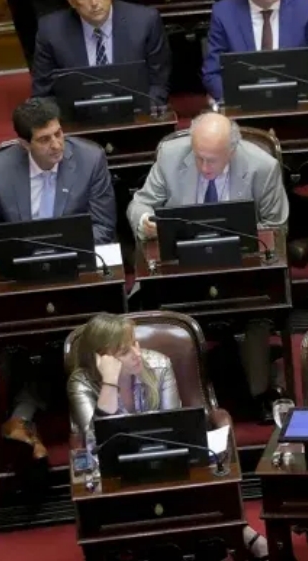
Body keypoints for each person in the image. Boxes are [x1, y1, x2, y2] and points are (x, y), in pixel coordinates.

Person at [65, 314, 270, 560]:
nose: (137, 353)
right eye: (124, 351)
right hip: (117, 472)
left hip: (164, 460)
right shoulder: (82, 382)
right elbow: (94, 442)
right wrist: (109, 383)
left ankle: (236, 529)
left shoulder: (159, 365)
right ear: (102, 359)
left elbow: (174, 427)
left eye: (135, 343)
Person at [126, 112, 290, 419]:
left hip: (240, 273)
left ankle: (258, 393)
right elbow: (141, 203)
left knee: (258, 311)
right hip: (181, 272)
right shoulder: (170, 156)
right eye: (198, 157)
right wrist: (145, 220)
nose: (203, 167)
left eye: (211, 160)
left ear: (232, 150)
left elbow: (277, 227)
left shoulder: (262, 167)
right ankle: (175, 399)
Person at [0, 97, 116, 255]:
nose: (56, 145)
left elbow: (103, 225)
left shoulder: (90, 160)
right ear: (25, 144)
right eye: (44, 139)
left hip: (74, 257)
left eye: (58, 134)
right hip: (21, 260)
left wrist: (63, 255)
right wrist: (6, 256)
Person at [30, 0, 171, 106]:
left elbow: (158, 83)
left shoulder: (145, 21)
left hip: (136, 116)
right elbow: (43, 93)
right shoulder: (50, 31)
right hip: (79, 121)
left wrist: (146, 111)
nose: (94, 3)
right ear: (71, 2)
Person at [202, 0, 308, 103]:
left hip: (300, 108)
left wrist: (306, 93)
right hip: (244, 113)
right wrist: (237, 98)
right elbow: (211, 74)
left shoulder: (307, 8)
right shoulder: (224, 12)